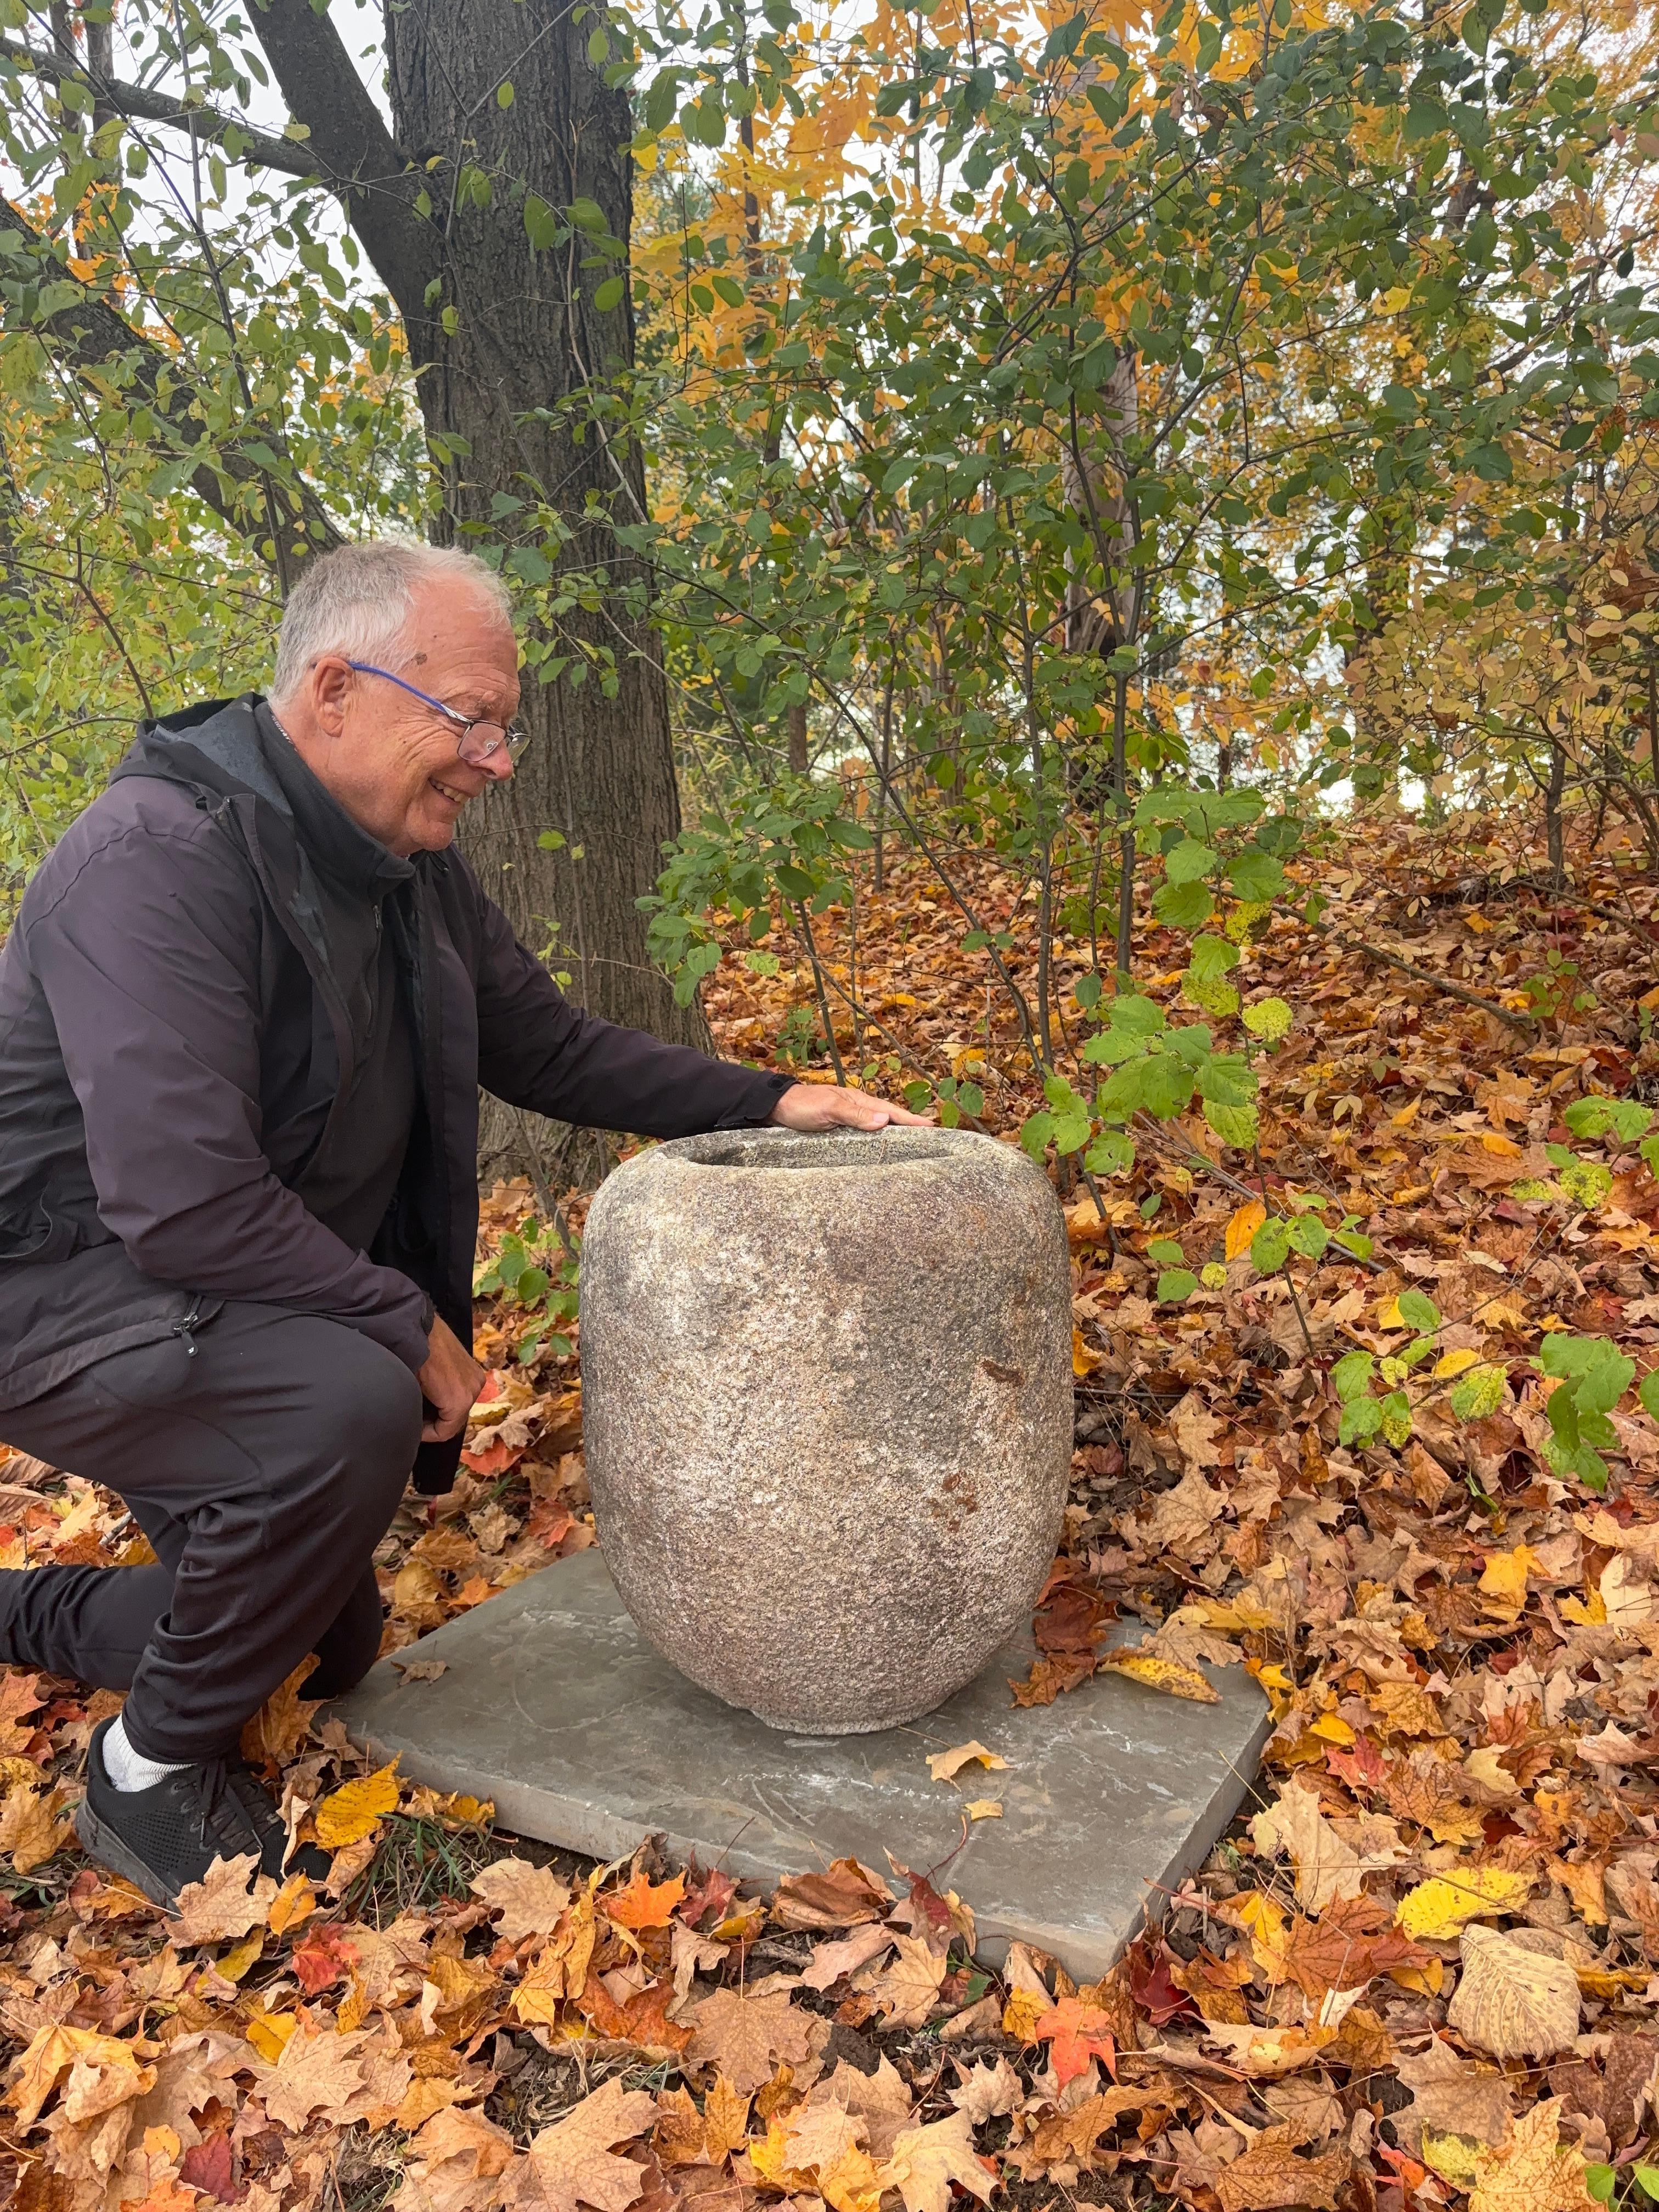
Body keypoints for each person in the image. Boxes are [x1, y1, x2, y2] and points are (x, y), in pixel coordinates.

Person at [0, 539, 922, 1910]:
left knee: (325, 1645)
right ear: (333, 689)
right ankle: (144, 1773)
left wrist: (778, 1098)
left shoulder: (398, 866)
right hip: (60, 1292)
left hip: (205, 1294)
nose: (494, 760)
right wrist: (394, 1317)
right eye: (470, 719)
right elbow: (180, 1195)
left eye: (507, 727)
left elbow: (547, 1047)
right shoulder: (154, 864)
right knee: (346, 1409)